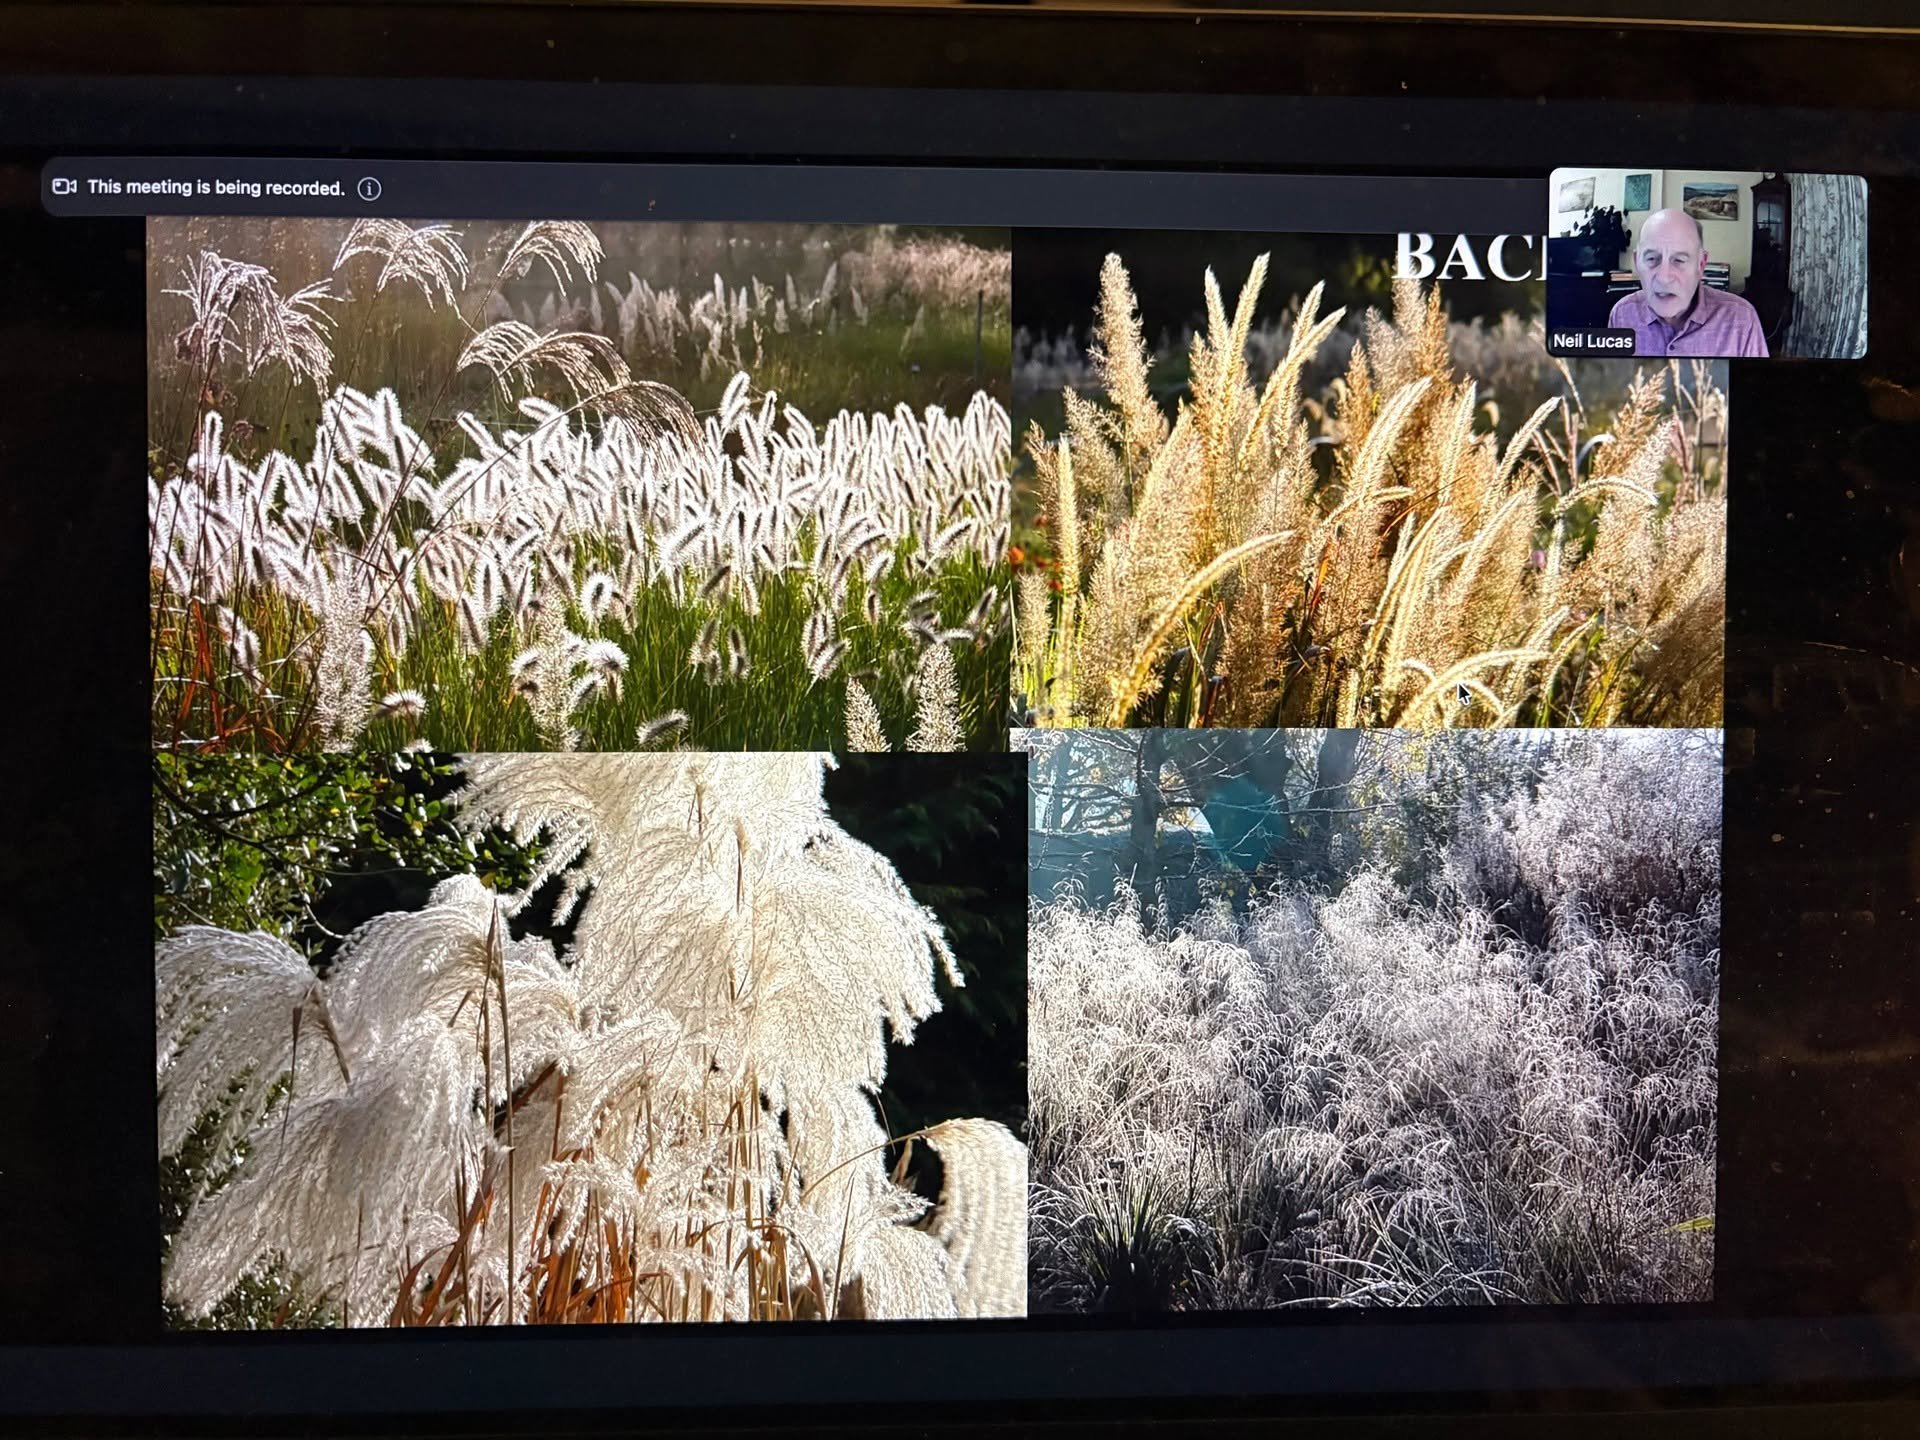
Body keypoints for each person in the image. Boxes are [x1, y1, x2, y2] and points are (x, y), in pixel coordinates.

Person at [1608, 207, 1769, 357]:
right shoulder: (1622, 315)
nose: (1664, 277)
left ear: (1701, 265)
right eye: (1651, 259)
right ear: (1637, 262)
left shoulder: (1742, 319)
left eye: (1679, 260)